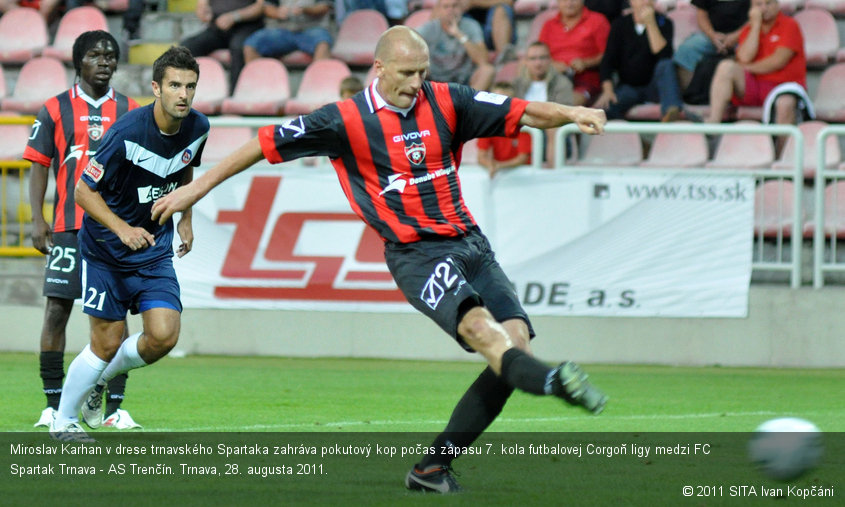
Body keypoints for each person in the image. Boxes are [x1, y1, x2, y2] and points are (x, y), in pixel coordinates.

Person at [151, 26, 608, 493]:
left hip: (472, 245)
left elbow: (524, 111)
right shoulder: (344, 120)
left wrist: (572, 112)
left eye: (422, 72)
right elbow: (261, 143)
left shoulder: (449, 100)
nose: (416, 83)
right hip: (417, 255)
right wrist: (196, 186)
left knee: (515, 347)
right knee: (482, 333)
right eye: (406, 73)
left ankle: (431, 470)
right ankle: (555, 381)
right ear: (380, 68)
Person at [49, 46, 209, 442]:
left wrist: (185, 217)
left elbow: (186, 166)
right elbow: (83, 193)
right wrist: (122, 229)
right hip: (106, 250)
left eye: (190, 86)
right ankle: (63, 422)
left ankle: (103, 380)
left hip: (152, 250)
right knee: (106, 341)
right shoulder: (125, 133)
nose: (183, 95)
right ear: (156, 87)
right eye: (174, 85)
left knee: (164, 335)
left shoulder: (198, 127)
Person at [25, 31, 142, 432]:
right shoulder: (54, 109)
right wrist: (38, 218)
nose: (105, 61)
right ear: (79, 62)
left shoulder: (131, 109)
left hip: (114, 229)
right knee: (57, 310)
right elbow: (39, 164)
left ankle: (114, 408)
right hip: (69, 227)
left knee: (119, 315)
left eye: (111, 56)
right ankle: (52, 406)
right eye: (96, 55)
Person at [705, 0, 805, 128]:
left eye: (768, 3)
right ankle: (713, 124)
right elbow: (744, 57)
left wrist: (747, 68)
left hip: (782, 86)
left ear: (777, 5)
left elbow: (777, 61)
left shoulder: (790, 25)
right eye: (759, 5)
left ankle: (783, 148)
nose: (764, 8)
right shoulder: (749, 29)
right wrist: (756, 26)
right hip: (755, 86)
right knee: (726, 67)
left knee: (785, 102)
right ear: (752, 9)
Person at [593, 0, 684, 122]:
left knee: (666, 65)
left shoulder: (665, 23)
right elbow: (608, 61)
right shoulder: (619, 25)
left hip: (655, 87)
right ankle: (636, 138)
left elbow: (664, 56)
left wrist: (651, 23)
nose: (645, 2)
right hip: (629, 87)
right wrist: (608, 90)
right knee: (606, 109)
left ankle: (672, 111)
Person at [181, 0, 265, 91]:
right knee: (187, 48)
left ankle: (237, 95)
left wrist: (235, 16)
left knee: (238, 48)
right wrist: (203, 10)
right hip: (218, 26)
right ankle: (186, 93)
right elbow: (202, 5)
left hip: (247, 26)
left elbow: (261, 7)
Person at [538, 0, 610, 106]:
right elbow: (539, 53)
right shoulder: (549, 25)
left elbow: (608, 55)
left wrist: (586, 63)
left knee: (569, 103)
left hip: (585, 80)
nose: (569, 3)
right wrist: (552, 64)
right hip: (552, 78)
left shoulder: (598, 21)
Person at [513, 41, 574, 165]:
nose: (538, 63)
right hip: (524, 131)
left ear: (550, 60)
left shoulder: (562, 83)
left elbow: (562, 115)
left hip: (550, 131)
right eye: (533, 59)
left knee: (554, 128)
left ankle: (552, 174)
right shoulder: (517, 84)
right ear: (526, 62)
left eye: (542, 58)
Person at [417, 0, 495, 90]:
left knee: (488, 70)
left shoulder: (471, 26)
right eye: (446, 7)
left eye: (454, 6)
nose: (450, 10)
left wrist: (459, 34)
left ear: (461, 8)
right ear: (439, 10)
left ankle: (469, 103)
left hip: (464, 81)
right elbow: (409, 42)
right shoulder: (430, 28)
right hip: (435, 81)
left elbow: (483, 60)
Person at [673, 0, 749, 92]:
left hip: (744, 35)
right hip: (712, 36)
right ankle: (688, 93)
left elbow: (755, 16)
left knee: (750, 52)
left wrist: (736, 36)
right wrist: (712, 35)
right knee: (686, 49)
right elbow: (701, 14)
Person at [242, 0, 333, 65]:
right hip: (283, 30)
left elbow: (324, 7)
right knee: (251, 44)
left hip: (311, 29)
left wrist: (305, 10)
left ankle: (318, 86)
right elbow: (267, 7)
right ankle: (259, 86)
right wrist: (278, 12)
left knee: (323, 43)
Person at [477, 82, 532, 177]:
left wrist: (497, 166)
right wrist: (490, 165)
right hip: (504, 173)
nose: (499, 107)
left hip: (525, 176)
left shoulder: (522, 126)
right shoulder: (488, 126)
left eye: (504, 102)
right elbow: (481, 156)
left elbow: (522, 158)